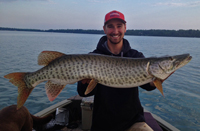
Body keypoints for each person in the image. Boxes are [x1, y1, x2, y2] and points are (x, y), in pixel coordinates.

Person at [77, 10, 156, 131]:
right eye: (110, 27)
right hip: (102, 124)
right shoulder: (93, 57)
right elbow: (83, 93)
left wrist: (158, 77)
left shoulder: (136, 56)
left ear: (125, 28)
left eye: (119, 26)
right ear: (104, 29)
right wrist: (84, 82)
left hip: (133, 122)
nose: (115, 31)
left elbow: (148, 85)